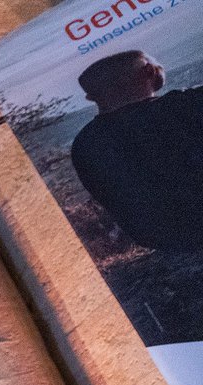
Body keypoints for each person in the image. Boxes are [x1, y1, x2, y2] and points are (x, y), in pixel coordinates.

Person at [70, 50, 203, 252]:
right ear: (149, 72)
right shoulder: (179, 106)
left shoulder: (84, 144)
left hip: (162, 238)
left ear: (91, 97)